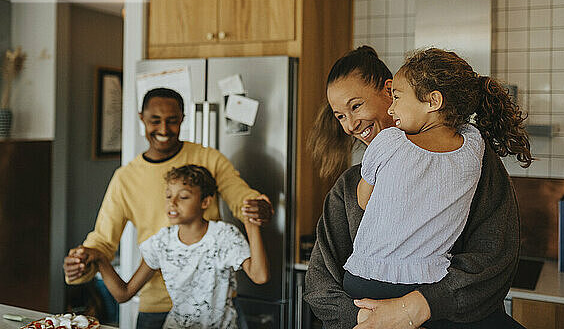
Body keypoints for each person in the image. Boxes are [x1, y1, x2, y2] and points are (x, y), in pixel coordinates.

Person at [304, 46, 525, 329]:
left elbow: (494, 258)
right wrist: (369, 319)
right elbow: (319, 283)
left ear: (389, 90)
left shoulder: (472, 160)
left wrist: (415, 309)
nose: (350, 125)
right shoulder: (348, 186)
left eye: (356, 106)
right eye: (340, 116)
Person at [63, 88, 274, 329]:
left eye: (172, 121)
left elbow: (242, 198)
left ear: (182, 119)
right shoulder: (126, 179)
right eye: (155, 120)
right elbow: (102, 241)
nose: (164, 130)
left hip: (216, 308)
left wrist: (256, 208)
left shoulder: (209, 161)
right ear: (142, 118)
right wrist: (84, 260)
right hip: (157, 309)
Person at [82, 164, 269, 329]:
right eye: (169, 196)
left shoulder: (223, 236)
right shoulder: (161, 242)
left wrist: (251, 224)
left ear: (205, 202)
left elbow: (260, 276)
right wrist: (100, 259)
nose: (172, 203)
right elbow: (123, 294)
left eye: (184, 197)